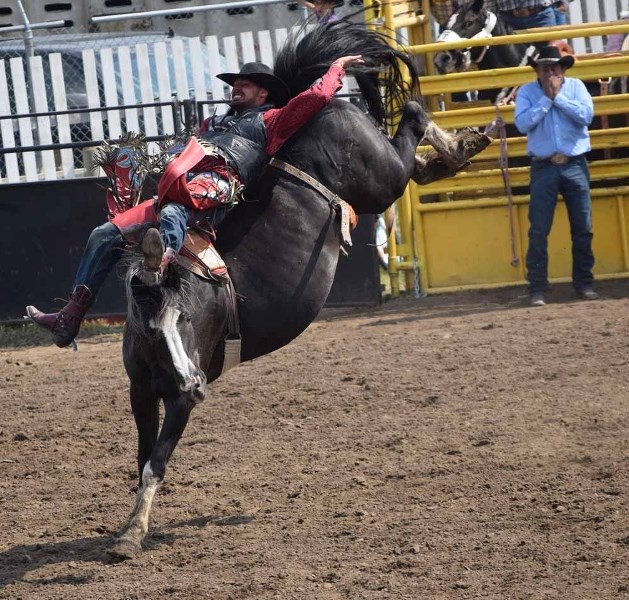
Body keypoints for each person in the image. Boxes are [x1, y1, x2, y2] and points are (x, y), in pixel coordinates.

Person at [26, 55, 364, 348]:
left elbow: (316, 97)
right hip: (179, 190)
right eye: (236, 83)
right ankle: (69, 318)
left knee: (174, 211)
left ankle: (159, 266)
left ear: (264, 93)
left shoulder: (271, 121)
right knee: (103, 234)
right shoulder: (213, 124)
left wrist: (336, 69)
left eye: (245, 84)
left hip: (215, 194)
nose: (237, 88)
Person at [514, 45, 597, 307]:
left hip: (574, 162)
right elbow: (522, 123)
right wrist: (547, 99)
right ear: (537, 71)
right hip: (544, 165)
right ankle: (537, 288)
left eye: (555, 67)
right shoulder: (527, 92)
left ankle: (584, 283)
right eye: (545, 68)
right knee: (538, 229)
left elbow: (587, 116)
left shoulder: (576, 87)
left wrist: (557, 97)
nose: (550, 72)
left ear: (563, 69)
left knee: (582, 227)